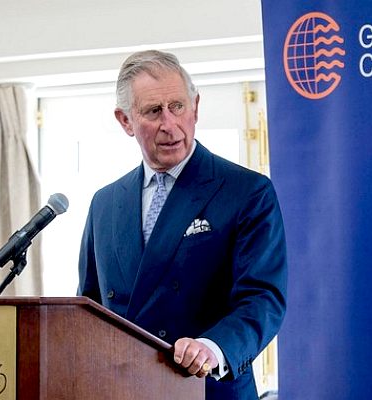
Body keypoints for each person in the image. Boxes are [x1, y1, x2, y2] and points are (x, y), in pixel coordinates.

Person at [77, 49, 287, 400]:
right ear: (125, 121)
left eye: (177, 106)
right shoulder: (104, 202)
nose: (169, 124)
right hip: (125, 390)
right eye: (153, 111)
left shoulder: (247, 191)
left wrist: (212, 348)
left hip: (208, 388)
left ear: (196, 108)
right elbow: (89, 307)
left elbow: (262, 298)